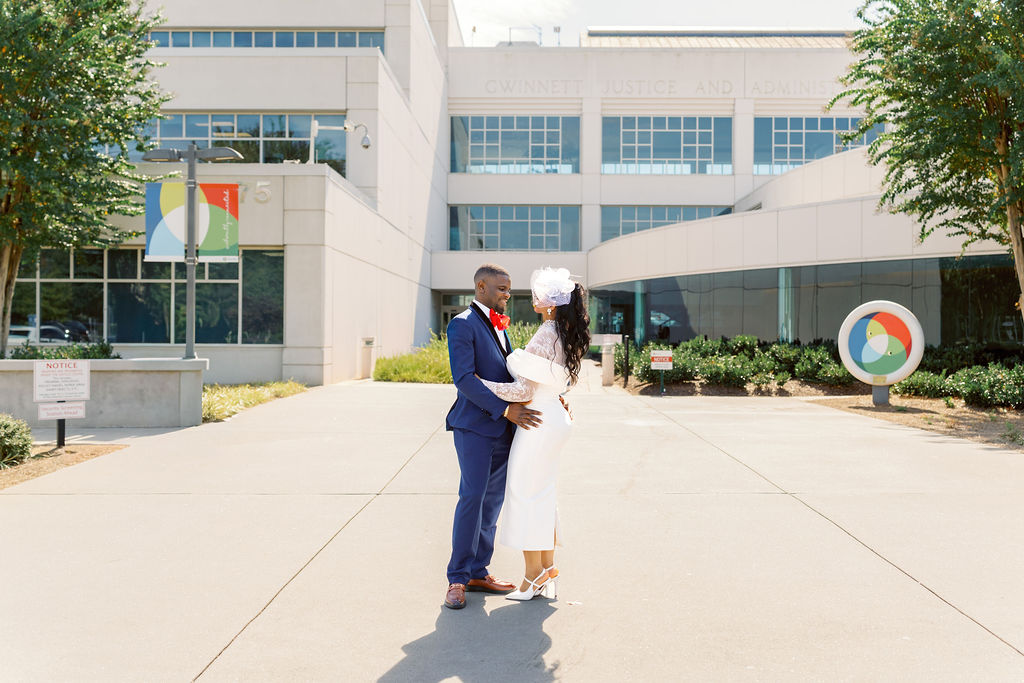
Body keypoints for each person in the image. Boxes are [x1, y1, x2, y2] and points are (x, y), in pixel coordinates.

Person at [478, 267, 590, 601]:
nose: (535, 299)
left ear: (552, 305)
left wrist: (476, 383)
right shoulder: (565, 332)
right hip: (553, 417)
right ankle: (547, 569)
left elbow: (521, 391)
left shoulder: (545, 334)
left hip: (537, 419)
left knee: (525, 494)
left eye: (541, 295)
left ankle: (531, 578)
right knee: (542, 493)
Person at [443, 263, 543, 610]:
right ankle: (456, 578)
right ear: (481, 287)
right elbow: (465, 379)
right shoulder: (462, 324)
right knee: (472, 498)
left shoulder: (500, 327)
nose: (507, 295)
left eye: (509, 289)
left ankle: (477, 572)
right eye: (502, 289)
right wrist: (505, 410)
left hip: (504, 430)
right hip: (475, 426)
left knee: (491, 503)